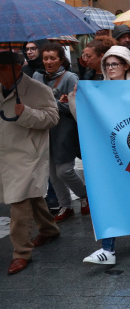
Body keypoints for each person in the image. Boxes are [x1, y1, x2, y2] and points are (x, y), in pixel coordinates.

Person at [81, 46, 130, 265]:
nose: (110, 68)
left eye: (115, 64)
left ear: (126, 66)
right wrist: (78, 100)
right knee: (107, 195)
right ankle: (107, 249)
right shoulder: (97, 91)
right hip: (107, 153)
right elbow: (84, 120)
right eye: (108, 64)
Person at [0, 51, 61, 275]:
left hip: (28, 155)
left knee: (18, 202)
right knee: (31, 196)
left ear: (17, 68)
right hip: (6, 153)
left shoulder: (38, 89)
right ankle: (48, 228)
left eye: (3, 68)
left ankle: (21, 253)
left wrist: (26, 113)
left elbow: (53, 118)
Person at [32, 43, 88, 224]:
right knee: (52, 173)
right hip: (43, 129)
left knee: (64, 170)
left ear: (61, 59)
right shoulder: (36, 76)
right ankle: (66, 205)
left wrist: (57, 104)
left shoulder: (70, 78)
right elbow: (33, 100)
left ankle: (85, 195)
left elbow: (75, 105)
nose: (48, 62)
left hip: (64, 129)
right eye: (45, 58)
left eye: (53, 58)